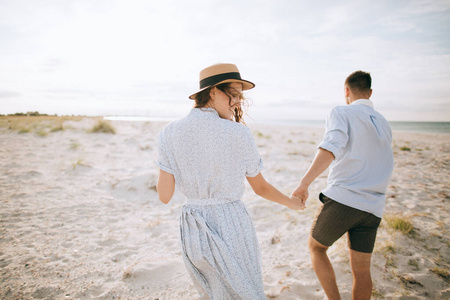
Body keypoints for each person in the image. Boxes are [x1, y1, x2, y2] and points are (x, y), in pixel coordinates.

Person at [156, 63, 304, 299]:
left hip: (192, 226)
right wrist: (292, 203)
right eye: (233, 95)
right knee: (245, 291)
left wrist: (171, 161)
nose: (237, 103)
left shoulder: (169, 132)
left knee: (211, 293)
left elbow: (164, 196)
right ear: (213, 91)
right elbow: (260, 187)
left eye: (240, 98)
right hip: (231, 223)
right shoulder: (238, 133)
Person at [292, 71, 394, 300]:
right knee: (361, 271)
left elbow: (330, 147)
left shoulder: (342, 111)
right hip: (374, 207)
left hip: (344, 200)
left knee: (316, 248)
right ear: (370, 92)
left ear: (346, 91)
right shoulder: (384, 123)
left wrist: (304, 183)